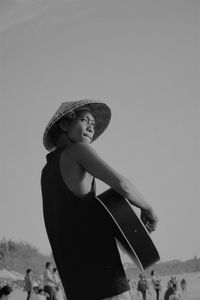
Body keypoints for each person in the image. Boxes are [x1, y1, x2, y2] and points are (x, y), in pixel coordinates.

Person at [41, 99, 158, 300]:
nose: (91, 127)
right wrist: (148, 208)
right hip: (105, 278)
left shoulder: (45, 172)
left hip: (75, 284)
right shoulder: (78, 150)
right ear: (64, 124)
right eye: (85, 120)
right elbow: (123, 185)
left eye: (93, 124)